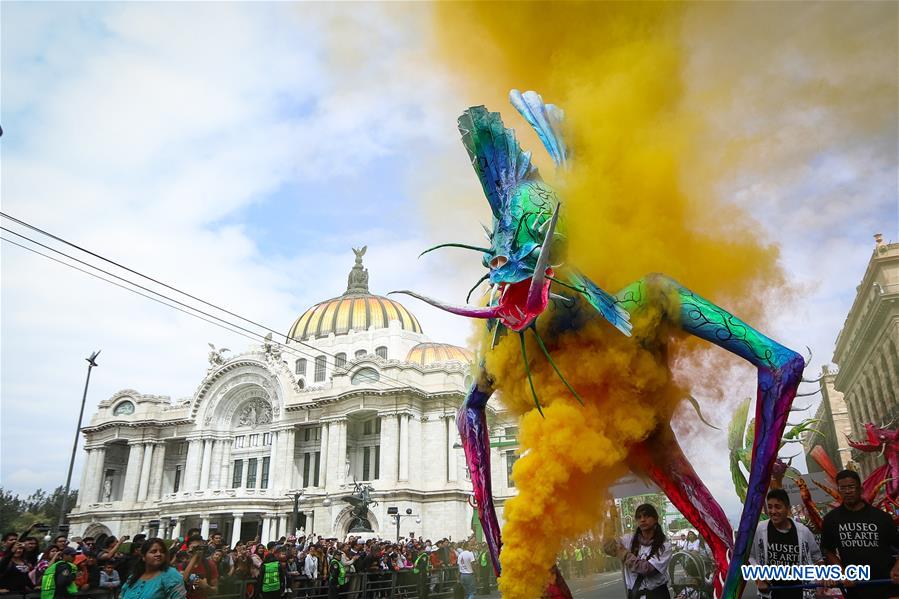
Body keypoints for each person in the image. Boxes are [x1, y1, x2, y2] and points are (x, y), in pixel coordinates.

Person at [821, 470, 899, 599]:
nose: (847, 491)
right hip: (856, 589)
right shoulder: (831, 520)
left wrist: (897, 567)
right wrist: (842, 572)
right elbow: (828, 550)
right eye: (843, 488)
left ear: (860, 489)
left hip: (887, 586)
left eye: (851, 487)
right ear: (838, 490)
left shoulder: (882, 517)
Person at [749, 489, 823, 599]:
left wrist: (823, 579)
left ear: (787, 509)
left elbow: (818, 558)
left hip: (799, 593)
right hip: (771, 594)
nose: (773, 511)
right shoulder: (760, 529)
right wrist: (759, 578)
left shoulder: (803, 531)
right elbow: (750, 556)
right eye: (770, 507)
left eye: (778, 507)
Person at [605, 503, 673, 599]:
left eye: (646, 516)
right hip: (635, 595)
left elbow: (647, 569)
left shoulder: (664, 545)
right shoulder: (628, 540)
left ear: (655, 519)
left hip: (657, 595)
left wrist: (624, 554)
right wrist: (610, 522)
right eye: (639, 517)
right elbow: (608, 548)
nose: (642, 520)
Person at [120, 538, 185, 599]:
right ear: (143, 557)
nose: (158, 554)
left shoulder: (171, 575)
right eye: (153, 551)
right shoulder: (134, 576)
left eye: (162, 551)